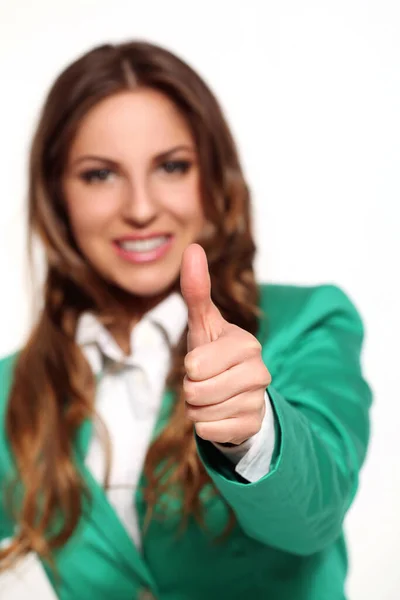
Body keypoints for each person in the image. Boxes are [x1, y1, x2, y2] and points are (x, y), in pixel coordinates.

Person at [0, 40, 372, 600]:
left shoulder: (307, 321)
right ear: (58, 195)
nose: (142, 207)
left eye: (172, 166)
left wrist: (256, 431)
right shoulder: (11, 390)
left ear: (212, 177)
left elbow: (312, 519)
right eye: (100, 175)